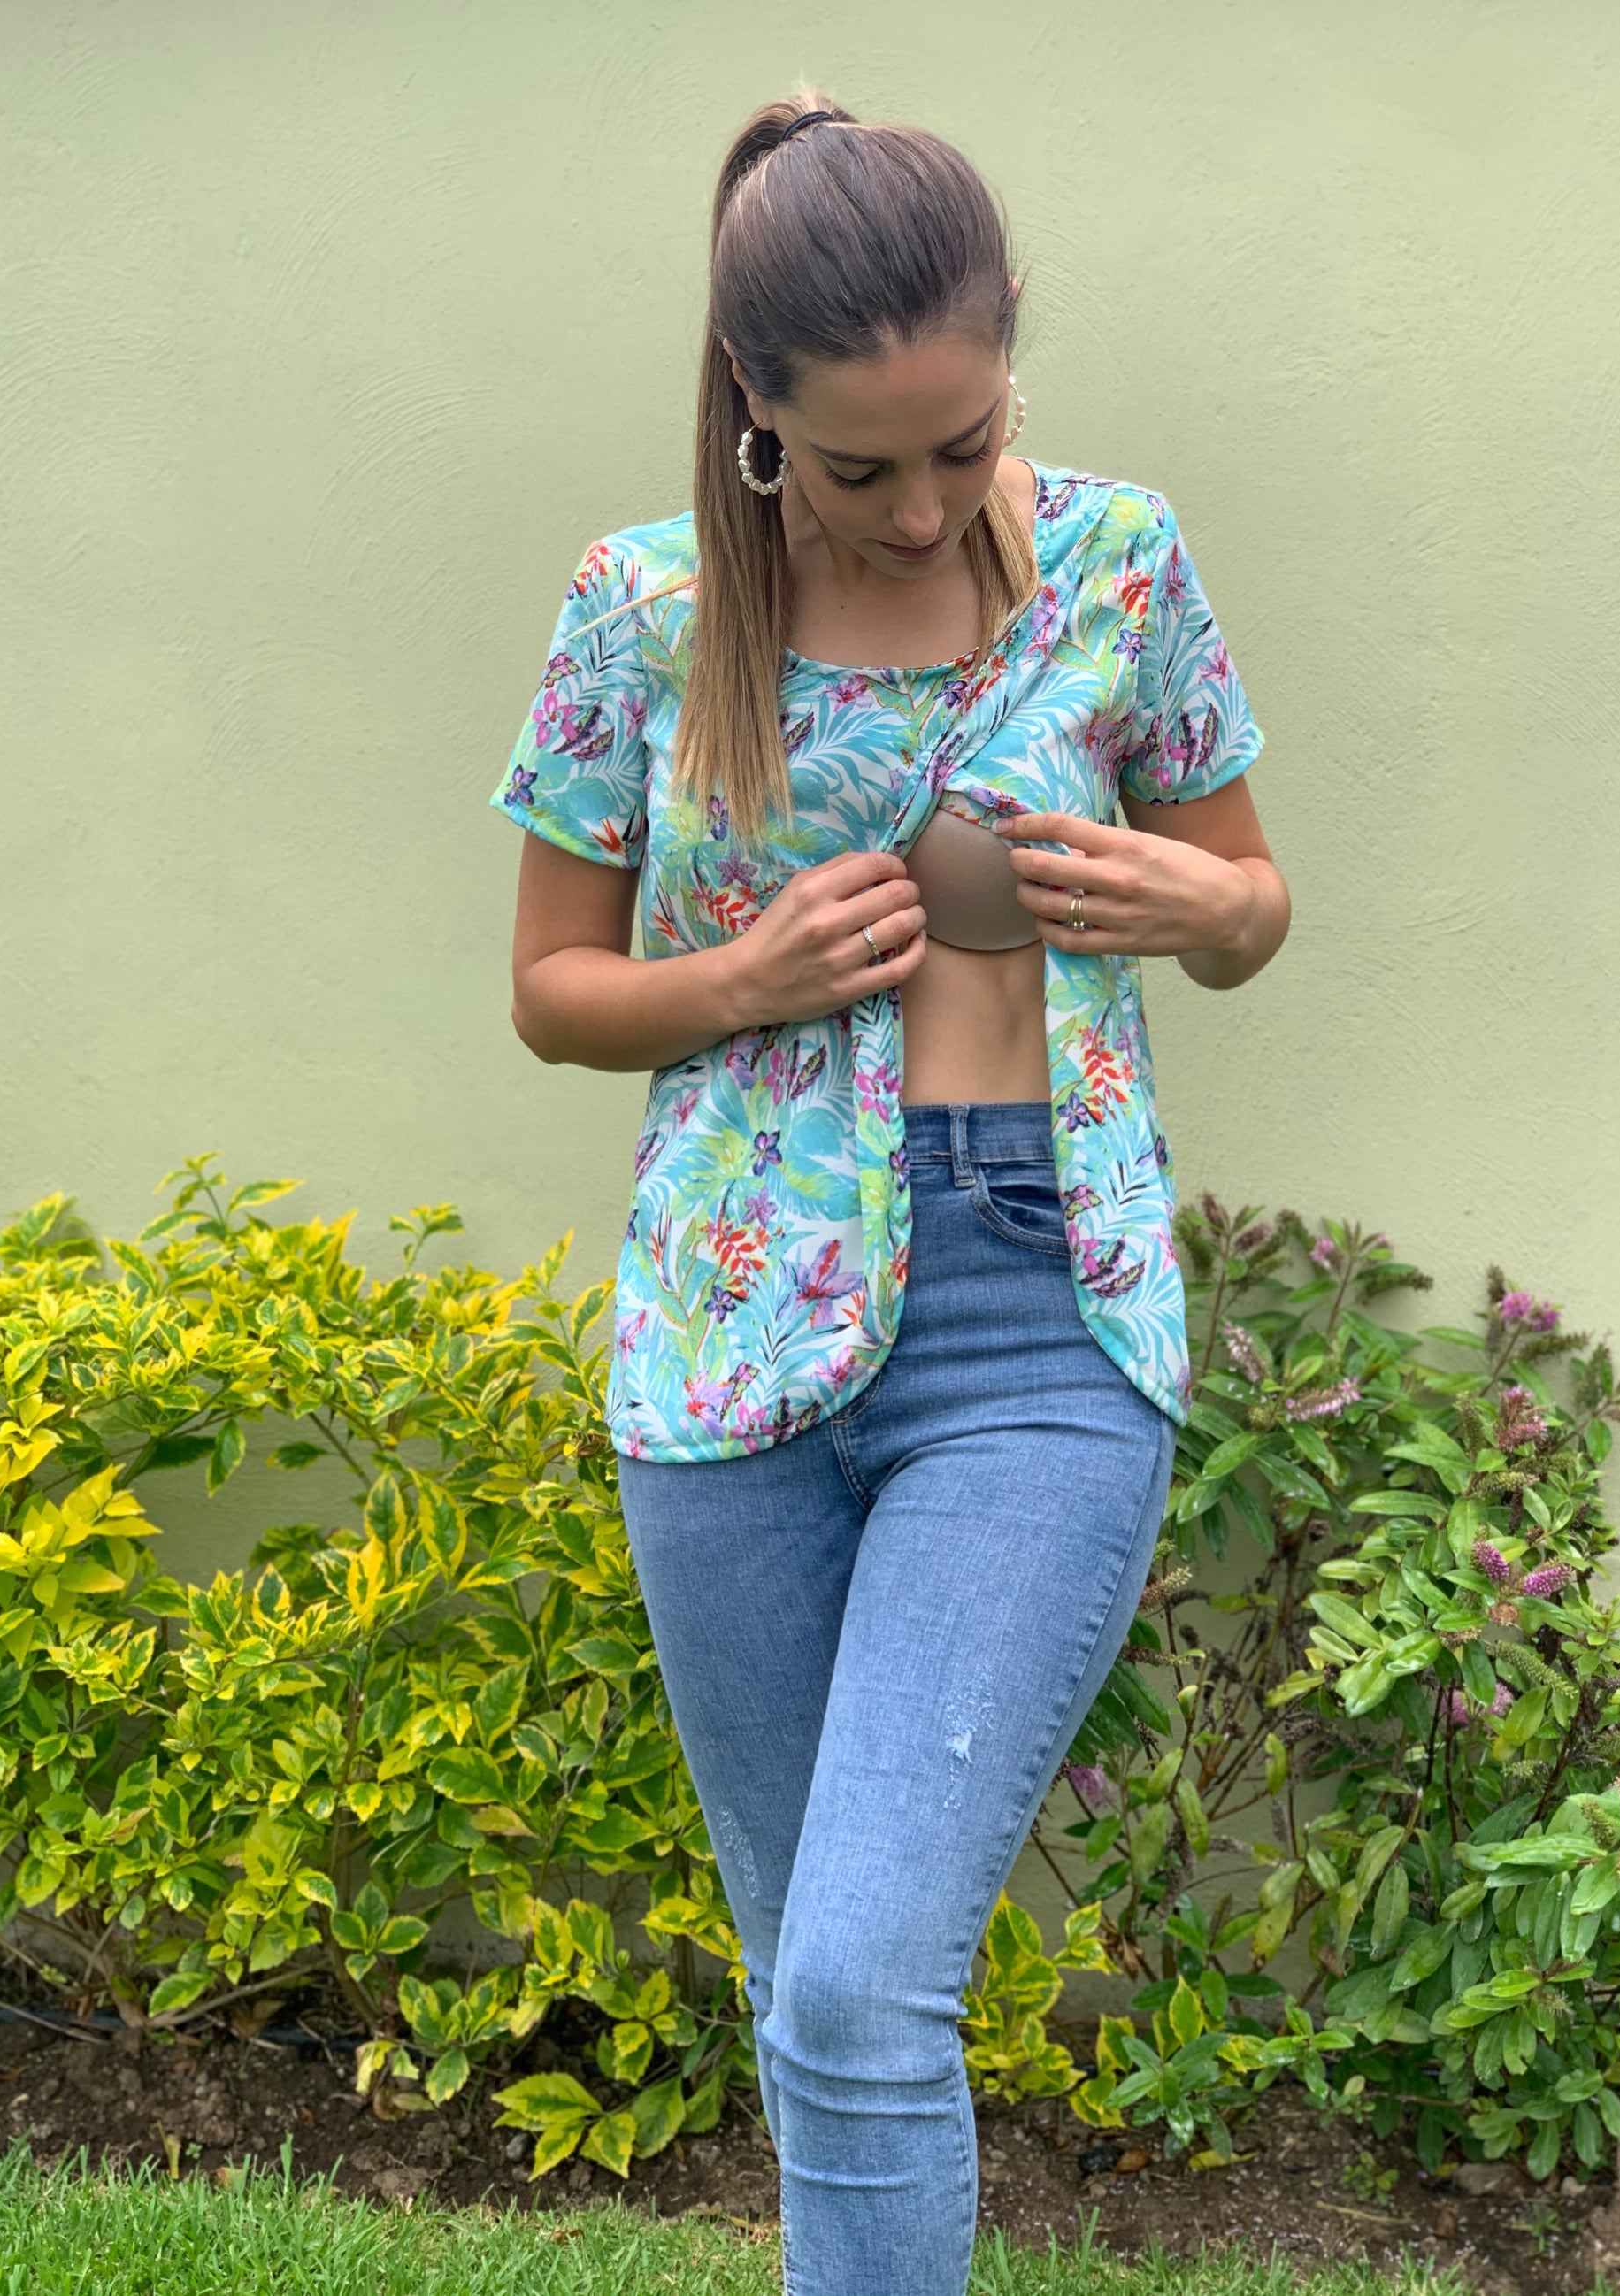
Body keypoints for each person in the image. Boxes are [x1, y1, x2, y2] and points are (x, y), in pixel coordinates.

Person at [491, 87, 1289, 2296]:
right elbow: (552, 991)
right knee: (808, 1993)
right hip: (728, 1337)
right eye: (859, 469)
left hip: (1037, 1310)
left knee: (857, 1982)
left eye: (963, 440)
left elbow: (1250, 903)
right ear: (753, 403)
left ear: (1011, 338)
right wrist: (732, 978)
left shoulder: (1119, 559)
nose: (924, 506)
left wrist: (1194, 910)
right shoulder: (641, 610)